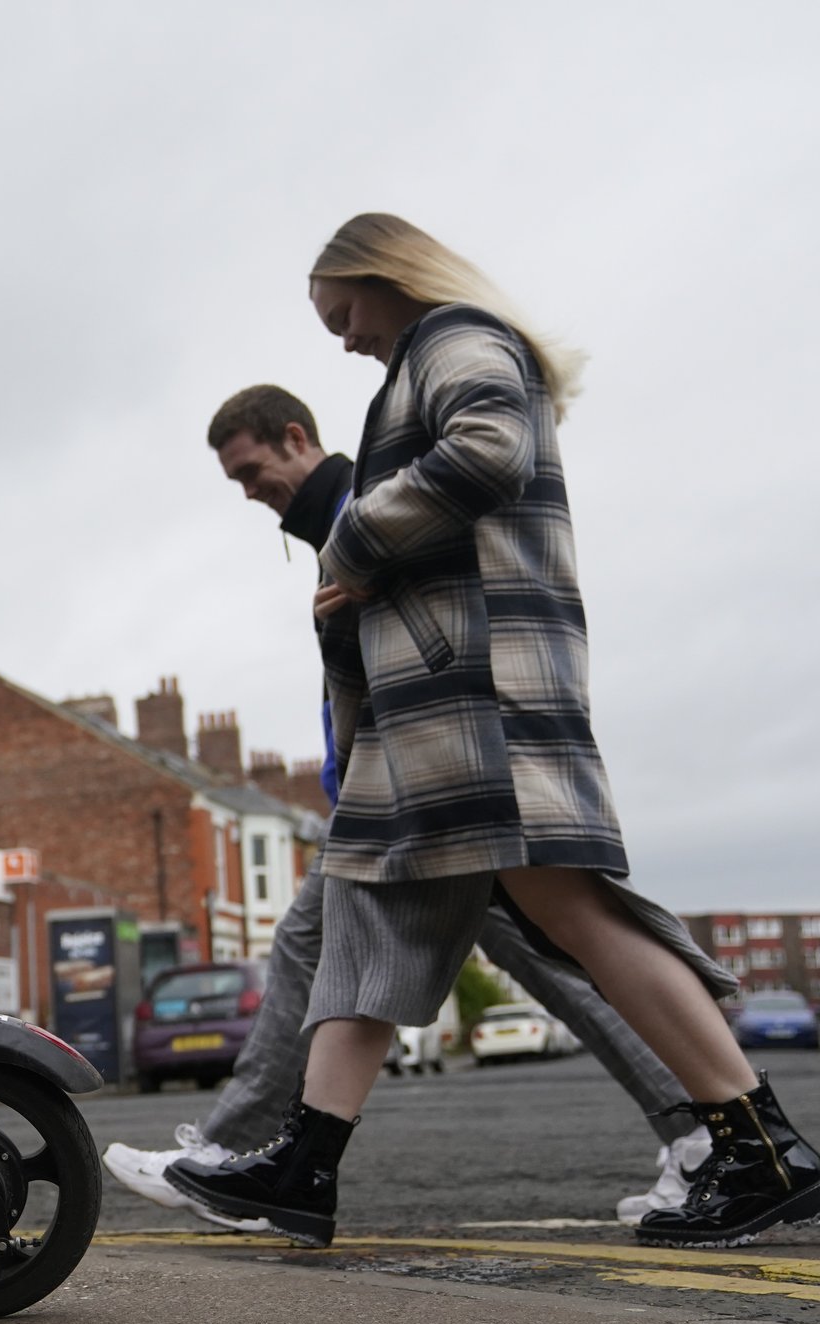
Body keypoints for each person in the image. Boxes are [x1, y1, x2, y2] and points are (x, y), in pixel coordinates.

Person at [164, 214, 819, 1250]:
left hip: (481, 685)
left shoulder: (457, 337)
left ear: (387, 279)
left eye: (343, 316)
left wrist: (354, 541)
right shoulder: (420, 361)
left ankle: (757, 1144)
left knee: (573, 912)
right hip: (436, 696)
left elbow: (487, 451)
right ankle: (305, 1162)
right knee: (366, 917)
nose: (340, 341)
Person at [103, 386, 708, 1229]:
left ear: (294, 437)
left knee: (334, 949)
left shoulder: (366, 506)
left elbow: (430, 625)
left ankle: (236, 1158)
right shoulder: (333, 525)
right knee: (551, 964)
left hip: (422, 786)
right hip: (404, 787)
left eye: (251, 471)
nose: (248, 492)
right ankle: (701, 1133)